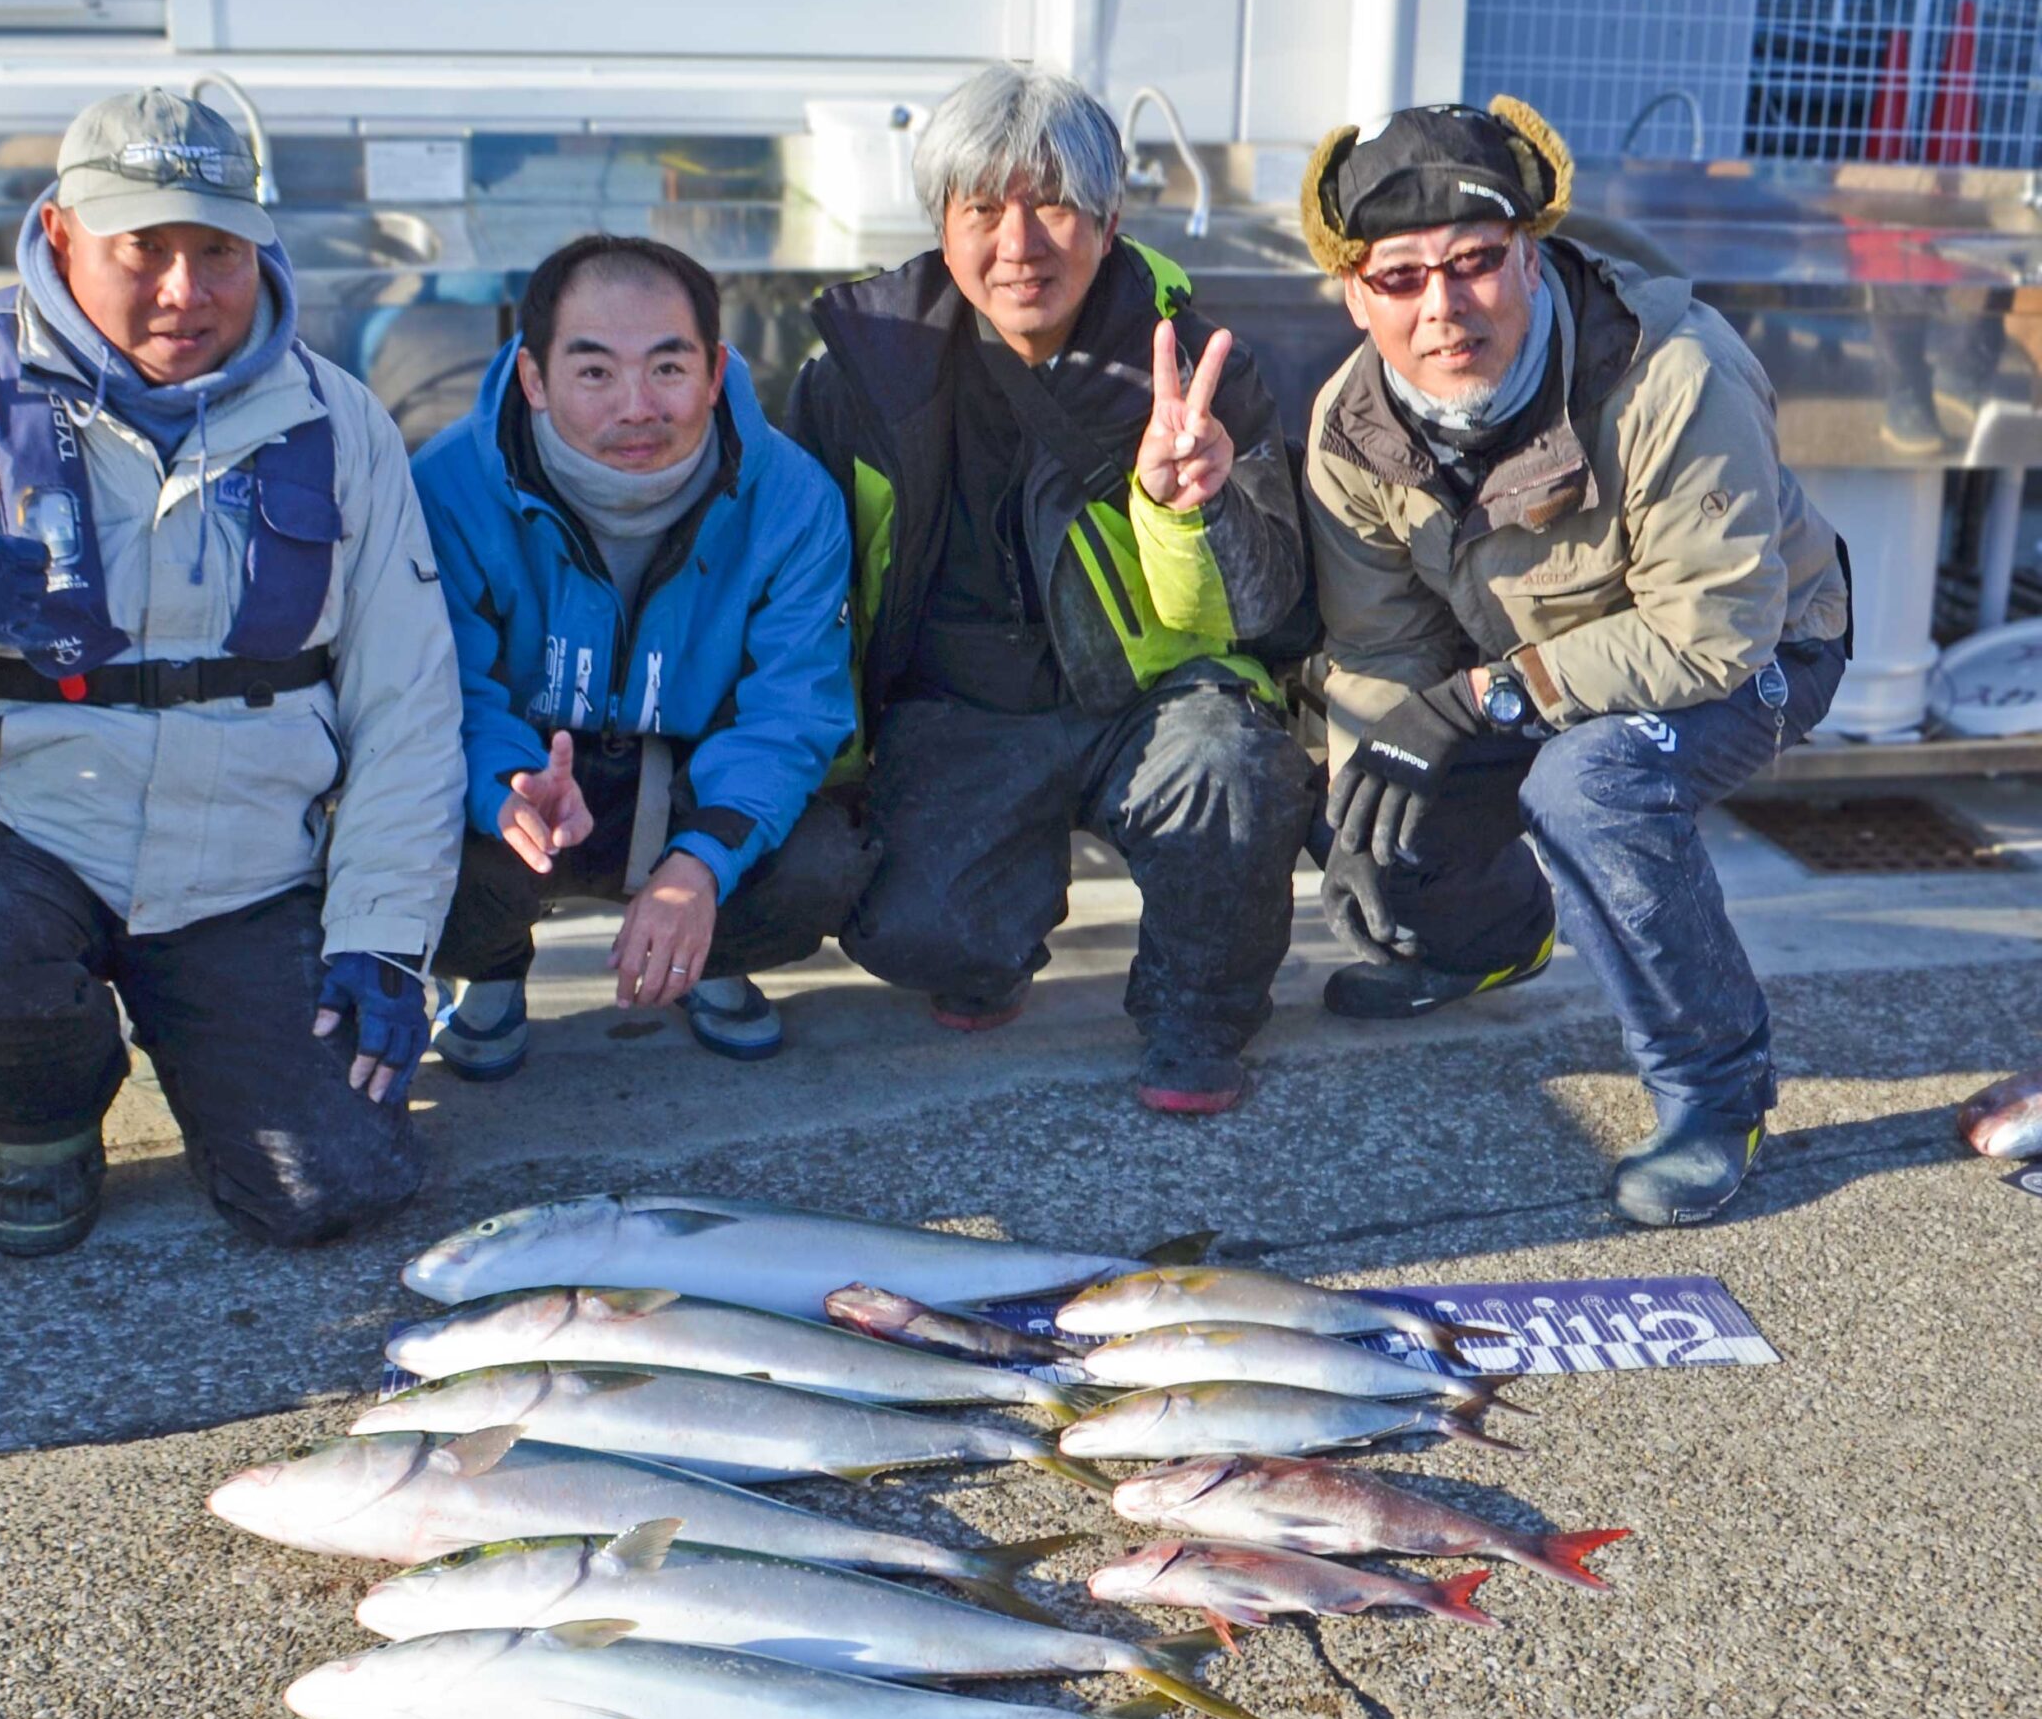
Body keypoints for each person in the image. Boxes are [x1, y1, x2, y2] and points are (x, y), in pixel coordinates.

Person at [0, 87, 464, 1256]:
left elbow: (408, 703)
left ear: (258, 245)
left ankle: (211, 1038)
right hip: (17, 831)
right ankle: (46, 1114)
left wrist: (382, 934)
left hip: (248, 862)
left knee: (337, 1185)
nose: (184, 290)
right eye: (144, 248)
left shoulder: (342, 422)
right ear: (62, 233)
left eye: (216, 248)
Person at [1298, 96, 1850, 1224]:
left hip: (1764, 648)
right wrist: (1366, 813)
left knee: (1588, 784)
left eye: (1475, 263)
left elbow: (1712, 629)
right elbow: (1378, 650)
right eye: (1399, 276)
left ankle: (1714, 1088)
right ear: (1354, 293)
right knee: (1377, 797)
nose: (1443, 308)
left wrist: (1485, 696)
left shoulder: (1672, 372)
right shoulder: (1349, 426)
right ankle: (1488, 942)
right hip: (1537, 662)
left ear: (1531, 255)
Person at [786, 61, 1313, 1114]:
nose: (1018, 245)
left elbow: (1259, 613)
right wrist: (833, 766)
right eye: (982, 208)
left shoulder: (1195, 366)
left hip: (1153, 704)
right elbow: (806, 592)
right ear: (940, 221)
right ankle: (991, 941)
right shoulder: (860, 371)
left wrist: (1188, 504)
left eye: (1056, 207)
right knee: (916, 931)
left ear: (1110, 222)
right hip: (962, 708)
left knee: (1231, 767)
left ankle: (1195, 1007)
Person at [411, 233, 865, 1077]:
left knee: (821, 860)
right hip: (530, 768)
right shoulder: (447, 487)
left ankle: (707, 956)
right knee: (424, 834)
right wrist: (506, 785)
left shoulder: (794, 498)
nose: (637, 407)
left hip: (690, 772)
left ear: (716, 367)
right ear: (534, 379)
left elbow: (793, 711)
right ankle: (493, 971)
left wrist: (699, 864)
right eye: (593, 372)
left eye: (667, 367)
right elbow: (443, 690)